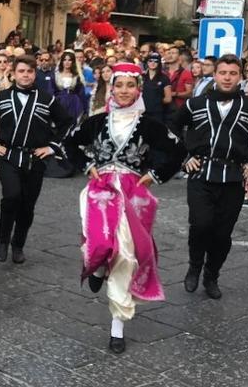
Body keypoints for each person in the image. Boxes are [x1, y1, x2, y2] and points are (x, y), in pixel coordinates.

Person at [64, 62, 185, 354]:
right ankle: (97, 267)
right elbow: (69, 143)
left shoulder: (150, 125)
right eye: (119, 85)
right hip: (100, 191)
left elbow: (177, 150)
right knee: (101, 244)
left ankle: (117, 325)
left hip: (133, 195)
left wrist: (154, 175)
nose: (124, 91)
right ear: (111, 88)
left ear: (138, 89)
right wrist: (87, 165)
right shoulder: (96, 121)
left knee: (127, 256)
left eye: (130, 85)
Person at [171, 54, 248, 300]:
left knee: (222, 234)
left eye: (233, 73)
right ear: (215, 75)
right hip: (201, 173)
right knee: (201, 224)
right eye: (223, 73)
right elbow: (171, 128)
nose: (227, 78)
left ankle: (211, 275)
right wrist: (184, 156)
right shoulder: (196, 103)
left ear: (240, 77)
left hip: (233, 177)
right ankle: (194, 266)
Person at [0, 55, 74, 264]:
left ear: (35, 74)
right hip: (8, 155)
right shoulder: (1, 97)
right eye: (21, 71)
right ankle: (3, 239)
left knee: (28, 205)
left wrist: (52, 146)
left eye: (30, 71)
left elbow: (67, 123)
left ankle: (18, 244)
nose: (26, 75)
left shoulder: (47, 99)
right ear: (13, 73)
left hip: (35, 158)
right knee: (11, 195)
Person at [140, 52, 172, 123]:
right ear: (147, 62)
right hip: (142, 111)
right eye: (150, 61)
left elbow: (168, 99)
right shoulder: (142, 77)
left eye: (156, 61)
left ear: (159, 63)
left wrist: (156, 101)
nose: (153, 63)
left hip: (157, 113)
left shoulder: (164, 78)